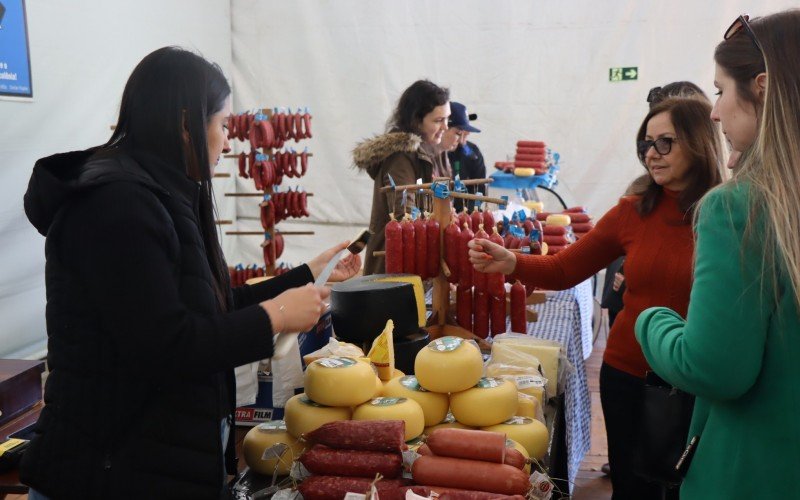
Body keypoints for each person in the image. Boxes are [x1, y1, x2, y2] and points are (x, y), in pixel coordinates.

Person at [20, 47, 360, 499]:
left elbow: (207, 305)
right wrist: (275, 316)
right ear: (185, 124)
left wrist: (306, 274)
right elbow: (166, 346)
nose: (227, 139)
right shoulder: (118, 205)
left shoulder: (163, 192)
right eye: (222, 125)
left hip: (154, 462)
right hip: (111, 472)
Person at [469, 97, 724, 499]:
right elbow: (564, 269)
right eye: (646, 144)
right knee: (631, 486)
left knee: (686, 486)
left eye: (665, 143)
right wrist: (510, 262)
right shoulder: (632, 211)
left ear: (699, 142)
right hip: (627, 375)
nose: (651, 155)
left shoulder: (725, 214)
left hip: (696, 381)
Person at [636, 10, 800, 499]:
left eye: (721, 91)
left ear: (763, 88)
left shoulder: (738, 208)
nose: (714, 111)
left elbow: (714, 368)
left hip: (751, 474)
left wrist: (651, 320)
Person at [355, 79, 451, 275]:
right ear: (417, 120)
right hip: (392, 265)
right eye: (438, 120)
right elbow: (404, 214)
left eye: (447, 119)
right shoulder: (401, 157)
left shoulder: (424, 152)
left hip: (404, 260)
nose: (445, 127)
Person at [442, 102, 486, 213]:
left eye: (465, 135)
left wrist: (467, 213)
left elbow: (479, 189)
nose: (461, 141)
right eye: (458, 133)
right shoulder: (431, 155)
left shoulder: (473, 153)